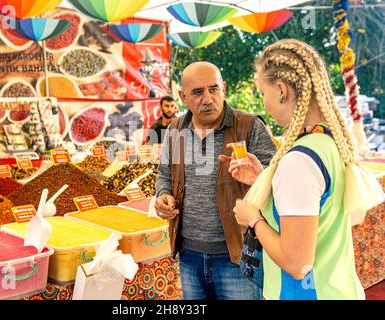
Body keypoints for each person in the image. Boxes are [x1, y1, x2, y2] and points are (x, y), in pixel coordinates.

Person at [233, 39, 381, 300]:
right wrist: (262, 180)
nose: (264, 104)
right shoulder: (328, 142)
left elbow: (297, 264)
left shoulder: (299, 162)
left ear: (281, 90)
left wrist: (253, 219)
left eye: (262, 93)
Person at [154, 61, 277, 300]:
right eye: (198, 92)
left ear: (224, 89)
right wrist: (162, 195)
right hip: (188, 255)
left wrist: (258, 176)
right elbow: (165, 174)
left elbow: (277, 180)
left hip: (239, 253)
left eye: (214, 89)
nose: (208, 98)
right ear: (183, 97)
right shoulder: (175, 129)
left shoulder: (249, 126)